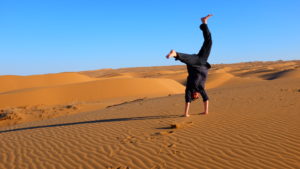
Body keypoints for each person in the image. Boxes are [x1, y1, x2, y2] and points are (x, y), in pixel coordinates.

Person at [166, 14, 213, 117]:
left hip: (195, 64)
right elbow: (206, 99)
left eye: (196, 96)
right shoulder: (201, 88)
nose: (197, 95)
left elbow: (187, 101)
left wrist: (186, 114)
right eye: (197, 96)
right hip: (202, 61)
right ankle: (204, 22)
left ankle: (175, 54)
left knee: (188, 58)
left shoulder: (189, 89)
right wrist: (206, 111)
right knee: (209, 42)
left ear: (193, 95)